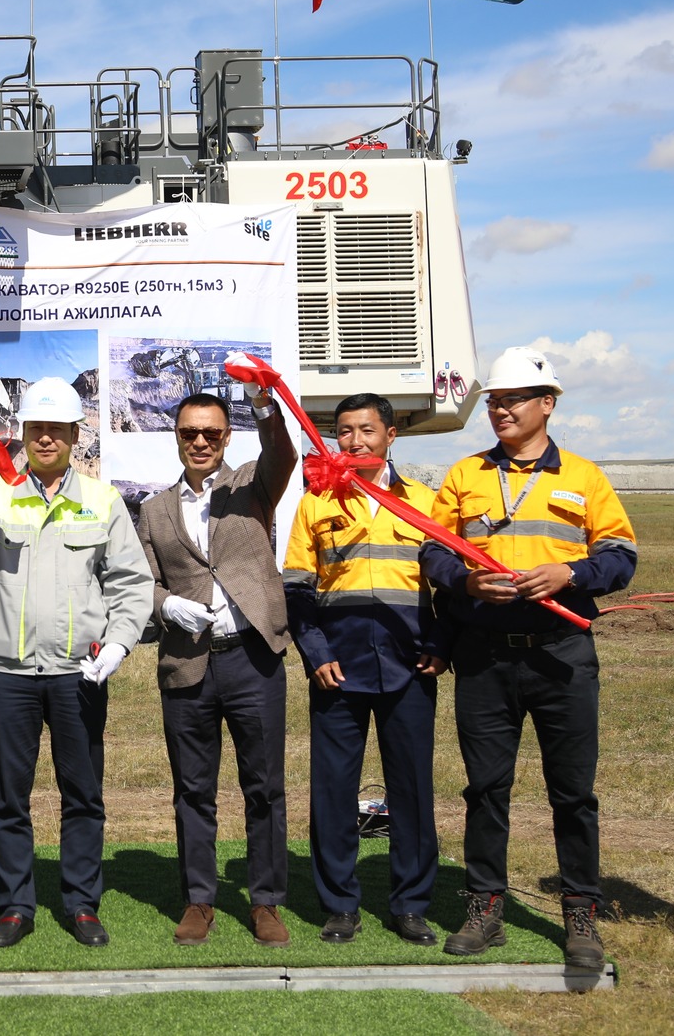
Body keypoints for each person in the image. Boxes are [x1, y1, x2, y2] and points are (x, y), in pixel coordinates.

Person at [420, 347, 637, 968]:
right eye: (493, 401)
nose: (500, 410)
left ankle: (581, 915)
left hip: (561, 657)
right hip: (485, 658)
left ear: (548, 403)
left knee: (572, 793)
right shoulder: (464, 475)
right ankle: (485, 907)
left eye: (513, 399)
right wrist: (462, 583)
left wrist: (569, 573)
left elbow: (621, 558)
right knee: (486, 789)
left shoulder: (585, 477)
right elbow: (434, 554)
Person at [0, 376, 153, 949]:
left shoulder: (101, 500)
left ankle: (81, 905)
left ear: (71, 434)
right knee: (8, 796)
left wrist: (118, 642)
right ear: (23, 434)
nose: (45, 438)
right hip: (6, 674)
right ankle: (15, 906)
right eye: (36, 428)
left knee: (82, 793)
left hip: (77, 673)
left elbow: (132, 582)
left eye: (55, 429)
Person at [281, 392, 446, 947]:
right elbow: (298, 592)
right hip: (339, 670)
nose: (354, 441)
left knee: (412, 790)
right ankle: (339, 906)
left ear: (391, 435)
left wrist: (440, 643)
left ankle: (411, 905)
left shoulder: (426, 501)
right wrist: (316, 652)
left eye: (366, 431)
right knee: (333, 791)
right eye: (344, 432)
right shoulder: (316, 501)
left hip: (410, 668)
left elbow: (449, 585)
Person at [137, 384, 298, 949]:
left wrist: (263, 406)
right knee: (193, 790)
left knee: (264, 788)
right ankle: (199, 900)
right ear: (177, 438)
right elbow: (141, 584)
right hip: (187, 665)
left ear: (227, 437)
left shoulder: (253, 483)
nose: (200, 441)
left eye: (211, 433)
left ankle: (266, 901)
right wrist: (166, 606)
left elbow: (284, 454)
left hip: (253, 658)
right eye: (189, 433)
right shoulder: (154, 510)